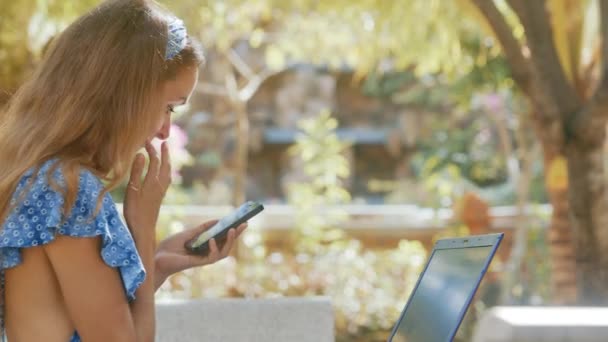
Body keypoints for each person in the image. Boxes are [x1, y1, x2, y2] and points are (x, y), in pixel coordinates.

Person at [0, 0, 246, 341]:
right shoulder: (68, 189)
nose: (164, 130)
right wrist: (143, 231)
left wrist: (156, 262)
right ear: (123, 96)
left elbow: (75, 316)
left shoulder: (42, 177)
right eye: (168, 107)